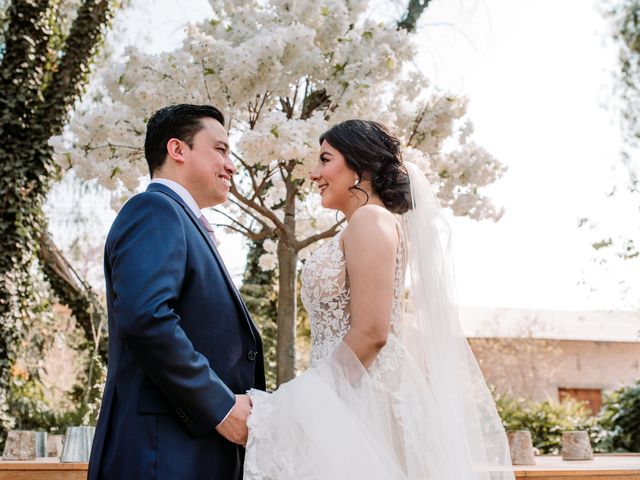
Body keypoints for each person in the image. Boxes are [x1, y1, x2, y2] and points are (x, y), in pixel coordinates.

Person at [244, 120, 514, 479]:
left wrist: (307, 401)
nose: (314, 174)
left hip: (363, 400)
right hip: (346, 394)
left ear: (361, 166)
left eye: (325, 160)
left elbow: (373, 331)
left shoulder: (371, 219)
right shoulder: (362, 224)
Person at [88, 104, 265, 480]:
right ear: (178, 150)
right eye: (220, 149)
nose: (231, 165)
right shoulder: (154, 209)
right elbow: (146, 319)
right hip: (160, 456)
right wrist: (220, 407)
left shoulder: (185, 223)